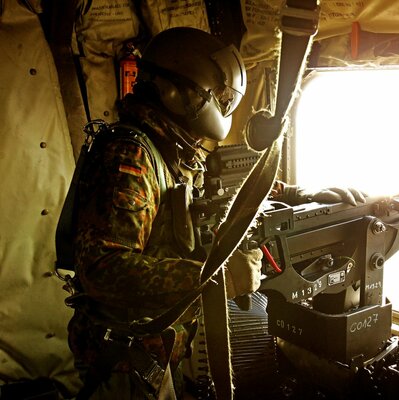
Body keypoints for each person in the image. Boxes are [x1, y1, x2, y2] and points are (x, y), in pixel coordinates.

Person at [66, 27, 365, 399]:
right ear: (176, 93)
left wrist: (298, 193)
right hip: (124, 359)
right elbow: (102, 269)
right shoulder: (131, 157)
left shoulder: (172, 150)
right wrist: (216, 278)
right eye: (218, 96)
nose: (224, 106)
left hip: (157, 345)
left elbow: (217, 194)